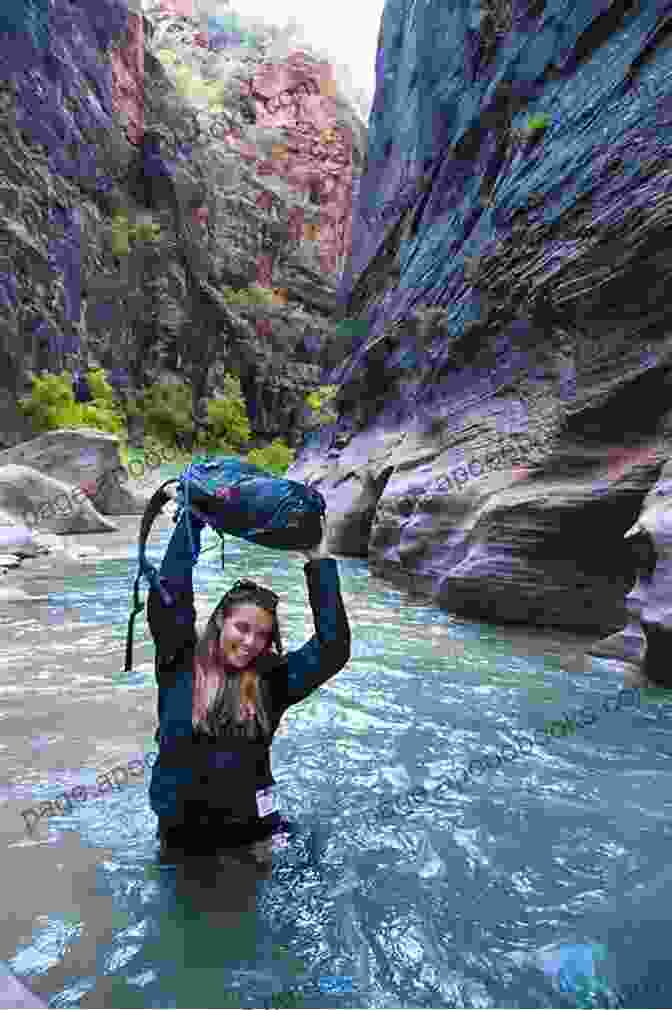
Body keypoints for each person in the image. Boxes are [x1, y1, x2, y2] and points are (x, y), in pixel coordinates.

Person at [146, 501, 350, 863]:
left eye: (262, 635)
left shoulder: (274, 680)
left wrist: (318, 560)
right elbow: (169, 600)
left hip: (250, 836)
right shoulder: (179, 662)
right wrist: (190, 523)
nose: (250, 642)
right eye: (242, 627)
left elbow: (332, 649)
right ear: (220, 621)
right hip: (180, 836)